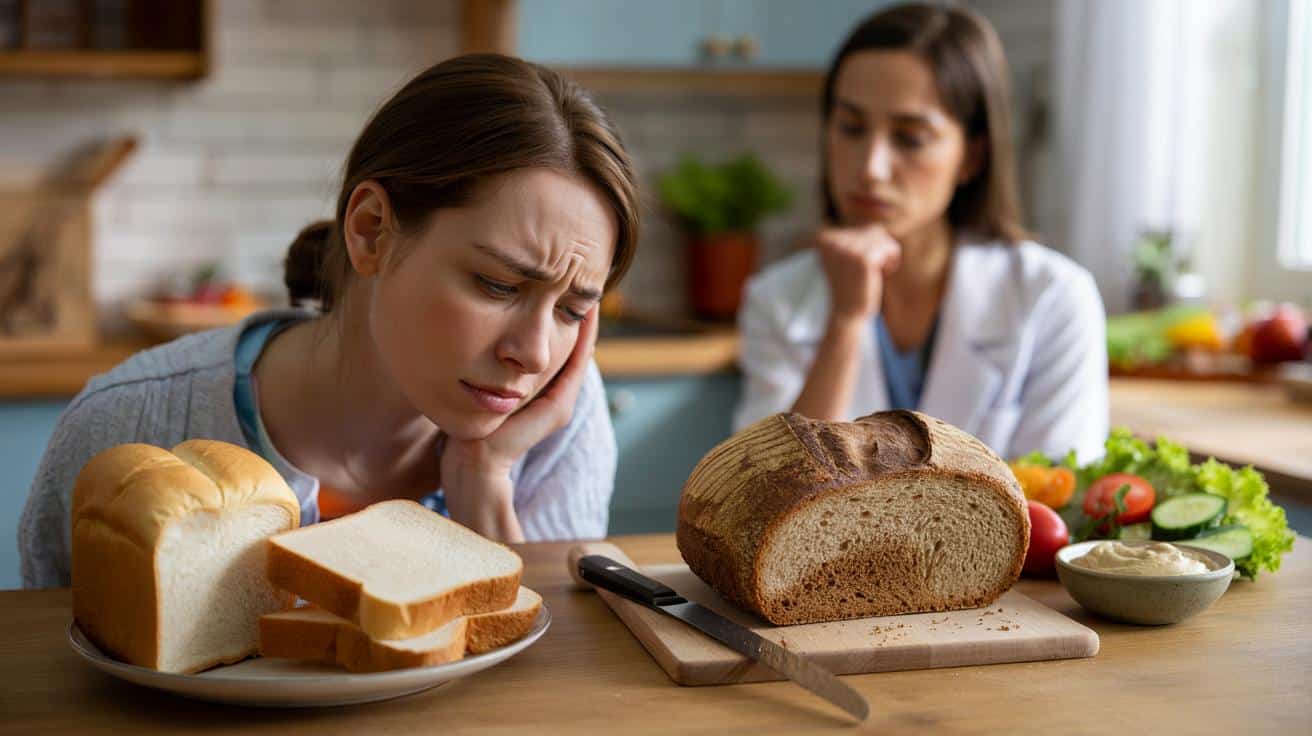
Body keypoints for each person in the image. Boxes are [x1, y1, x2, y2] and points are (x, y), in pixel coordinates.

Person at [20, 53, 640, 589]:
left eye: (572, 309)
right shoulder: (130, 425)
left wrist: (486, 480)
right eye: (497, 284)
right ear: (371, 231)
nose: (534, 355)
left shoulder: (557, 418)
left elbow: (543, 696)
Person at [734, 2, 1107, 463]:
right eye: (851, 127)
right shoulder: (776, 299)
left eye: (910, 138)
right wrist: (847, 321)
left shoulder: (1053, 297)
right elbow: (767, 495)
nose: (871, 168)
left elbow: (1057, 496)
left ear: (972, 156)